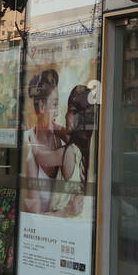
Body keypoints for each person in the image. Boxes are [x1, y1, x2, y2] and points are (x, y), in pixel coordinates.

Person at [23, 69, 67, 213]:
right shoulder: (25, 142)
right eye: (54, 105)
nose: (58, 112)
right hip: (36, 232)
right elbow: (33, 212)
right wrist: (66, 212)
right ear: (42, 106)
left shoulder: (64, 143)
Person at [49, 85, 93, 218]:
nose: (65, 115)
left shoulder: (69, 152)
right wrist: (54, 126)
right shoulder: (86, 149)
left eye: (70, 110)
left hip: (59, 227)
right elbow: (67, 135)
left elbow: (41, 157)